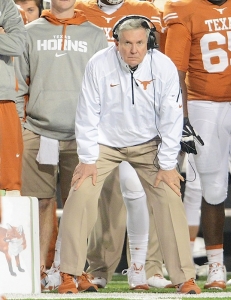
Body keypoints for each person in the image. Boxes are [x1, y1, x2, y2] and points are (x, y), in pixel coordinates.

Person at [58, 16, 201, 295]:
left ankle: (185, 277)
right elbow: (86, 114)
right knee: (80, 192)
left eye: (139, 43)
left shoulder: (163, 65)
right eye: (127, 43)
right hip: (104, 144)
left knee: (170, 196)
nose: (134, 49)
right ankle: (70, 273)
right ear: (116, 42)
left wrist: (168, 164)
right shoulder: (98, 64)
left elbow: (171, 118)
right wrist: (87, 160)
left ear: (147, 42)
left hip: (149, 143)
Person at [164, 0, 231, 290]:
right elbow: (174, 72)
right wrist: (182, 117)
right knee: (212, 188)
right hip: (204, 105)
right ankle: (216, 265)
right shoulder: (183, 10)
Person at [67, 0, 173, 289]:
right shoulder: (77, 11)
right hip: (99, 124)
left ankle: (146, 266)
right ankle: (98, 267)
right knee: (103, 199)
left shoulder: (147, 11)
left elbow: (159, 68)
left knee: (139, 192)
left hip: (139, 122)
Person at [14, 0, 108, 292]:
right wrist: (19, 124)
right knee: (38, 203)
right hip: (37, 130)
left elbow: (105, 86)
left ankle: (72, 270)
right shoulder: (29, 32)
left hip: (82, 135)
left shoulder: (95, 34)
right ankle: (38, 271)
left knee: (78, 205)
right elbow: (18, 82)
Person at [0, 0, 26, 194]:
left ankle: (8, 225)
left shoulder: (5, 4)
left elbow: (17, 45)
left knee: (8, 181)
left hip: (2, 100)